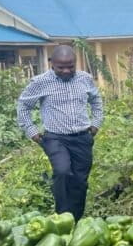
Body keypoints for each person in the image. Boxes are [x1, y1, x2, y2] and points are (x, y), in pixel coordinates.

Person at [17, 44, 104, 220]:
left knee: (80, 181)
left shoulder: (85, 78)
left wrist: (95, 124)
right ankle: (61, 218)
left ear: (76, 62)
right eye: (60, 67)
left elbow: (96, 101)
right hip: (55, 138)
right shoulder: (40, 82)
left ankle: (76, 220)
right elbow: (23, 106)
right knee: (62, 171)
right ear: (52, 64)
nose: (65, 70)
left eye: (70, 66)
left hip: (82, 137)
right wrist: (32, 132)